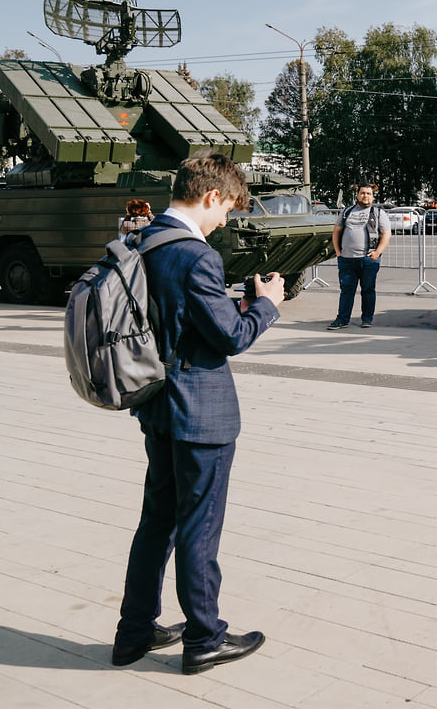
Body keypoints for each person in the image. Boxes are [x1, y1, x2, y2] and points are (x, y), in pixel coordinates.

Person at [112, 151, 285, 675]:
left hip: (157, 405)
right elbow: (230, 338)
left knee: (156, 522)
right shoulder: (196, 254)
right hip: (199, 413)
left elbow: (179, 318)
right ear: (211, 196)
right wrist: (266, 304)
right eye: (228, 209)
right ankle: (205, 638)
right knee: (199, 527)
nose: (226, 219)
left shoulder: (143, 240)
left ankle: (134, 631)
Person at [329, 183, 391, 330]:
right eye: (363, 193)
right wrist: (338, 252)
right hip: (346, 259)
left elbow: (386, 234)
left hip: (368, 259)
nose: (365, 196)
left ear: (372, 196)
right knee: (346, 290)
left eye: (368, 194)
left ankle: (367, 319)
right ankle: (342, 319)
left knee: (368, 290)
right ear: (357, 195)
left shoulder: (378, 213)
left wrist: (377, 252)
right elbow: (336, 232)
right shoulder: (346, 212)